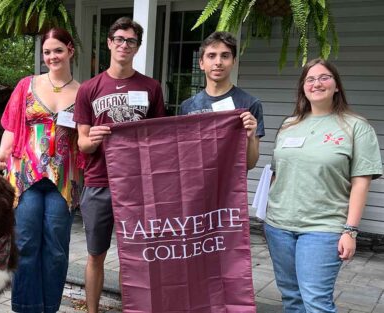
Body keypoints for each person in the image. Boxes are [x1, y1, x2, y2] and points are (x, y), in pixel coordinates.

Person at [265, 58, 382, 313]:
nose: (316, 83)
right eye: (310, 79)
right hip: (279, 226)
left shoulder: (356, 127)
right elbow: (276, 173)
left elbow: (361, 182)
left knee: (316, 302)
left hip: (323, 228)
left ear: (337, 85)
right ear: (303, 88)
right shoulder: (289, 125)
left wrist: (350, 231)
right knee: (291, 299)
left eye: (324, 77)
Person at [73, 17, 165, 313]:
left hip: (137, 185)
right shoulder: (89, 89)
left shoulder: (151, 87)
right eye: (120, 39)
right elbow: (82, 144)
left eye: (131, 41)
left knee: (138, 256)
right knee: (95, 254)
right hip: (99, 182)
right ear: (109, 43)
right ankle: (92, 310)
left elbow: (159, 139)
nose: (125, 45)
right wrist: (95, 139)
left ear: (137, 47)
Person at [0, 28, 82, 313]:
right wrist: (2, 152)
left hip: (63, 180)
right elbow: (12, 124)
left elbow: (86, 137)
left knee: (56, 249)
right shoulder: (27, 85)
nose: (52, 56)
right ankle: (26, 307)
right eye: (47, 52)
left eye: (57, 50)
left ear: (70, 51)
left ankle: (49, 307)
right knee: (26, 244)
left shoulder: (84, 92)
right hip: (26, 175)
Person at [180, 31, 265, 170]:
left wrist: (250, 137)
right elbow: (183, 156)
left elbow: (250, 164)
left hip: (230, 189)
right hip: (196, 187)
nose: (218, 62)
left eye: (225, 56)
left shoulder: (249, 104)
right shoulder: (187, 106)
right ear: (201, 63)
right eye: (211, 56)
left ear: (234, 62)